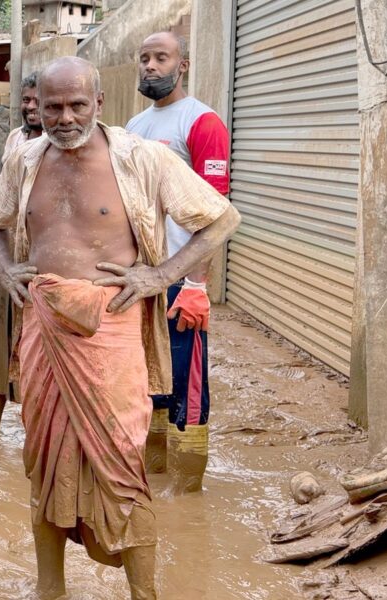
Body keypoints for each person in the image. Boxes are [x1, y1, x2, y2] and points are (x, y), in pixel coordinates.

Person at [0, 56, 240, 600]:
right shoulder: (24, 159)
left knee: (123, 464)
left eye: (78, 105)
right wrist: (5, 271)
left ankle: (144, 594)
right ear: (38, 107)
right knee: (43, 458)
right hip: (44, 325)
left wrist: (164, 276)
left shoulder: (141, 158)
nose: (65, 118)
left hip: (113, 329)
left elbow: (220, 219)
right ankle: (50, 588)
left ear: (100, 103)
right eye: (53, 107)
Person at [126, 32, 231, 491]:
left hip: (179, 278)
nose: (150, 65)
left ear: (182, 65)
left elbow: (217, 214)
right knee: (150, 377)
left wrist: (197, 286)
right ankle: (152, 475)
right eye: (145, 58)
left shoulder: (202, 122)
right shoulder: (133, 126)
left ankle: (188, 490)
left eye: (160, 57)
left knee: (187, 381)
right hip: (141, 276)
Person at [0, 72, 44, 437]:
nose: (30, 107)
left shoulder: (60, 143)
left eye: (37, 101)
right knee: (0, 339)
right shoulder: (16, 139)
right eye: (26, 100)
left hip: (45, 263)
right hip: (11, 260)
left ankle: (35, 430)